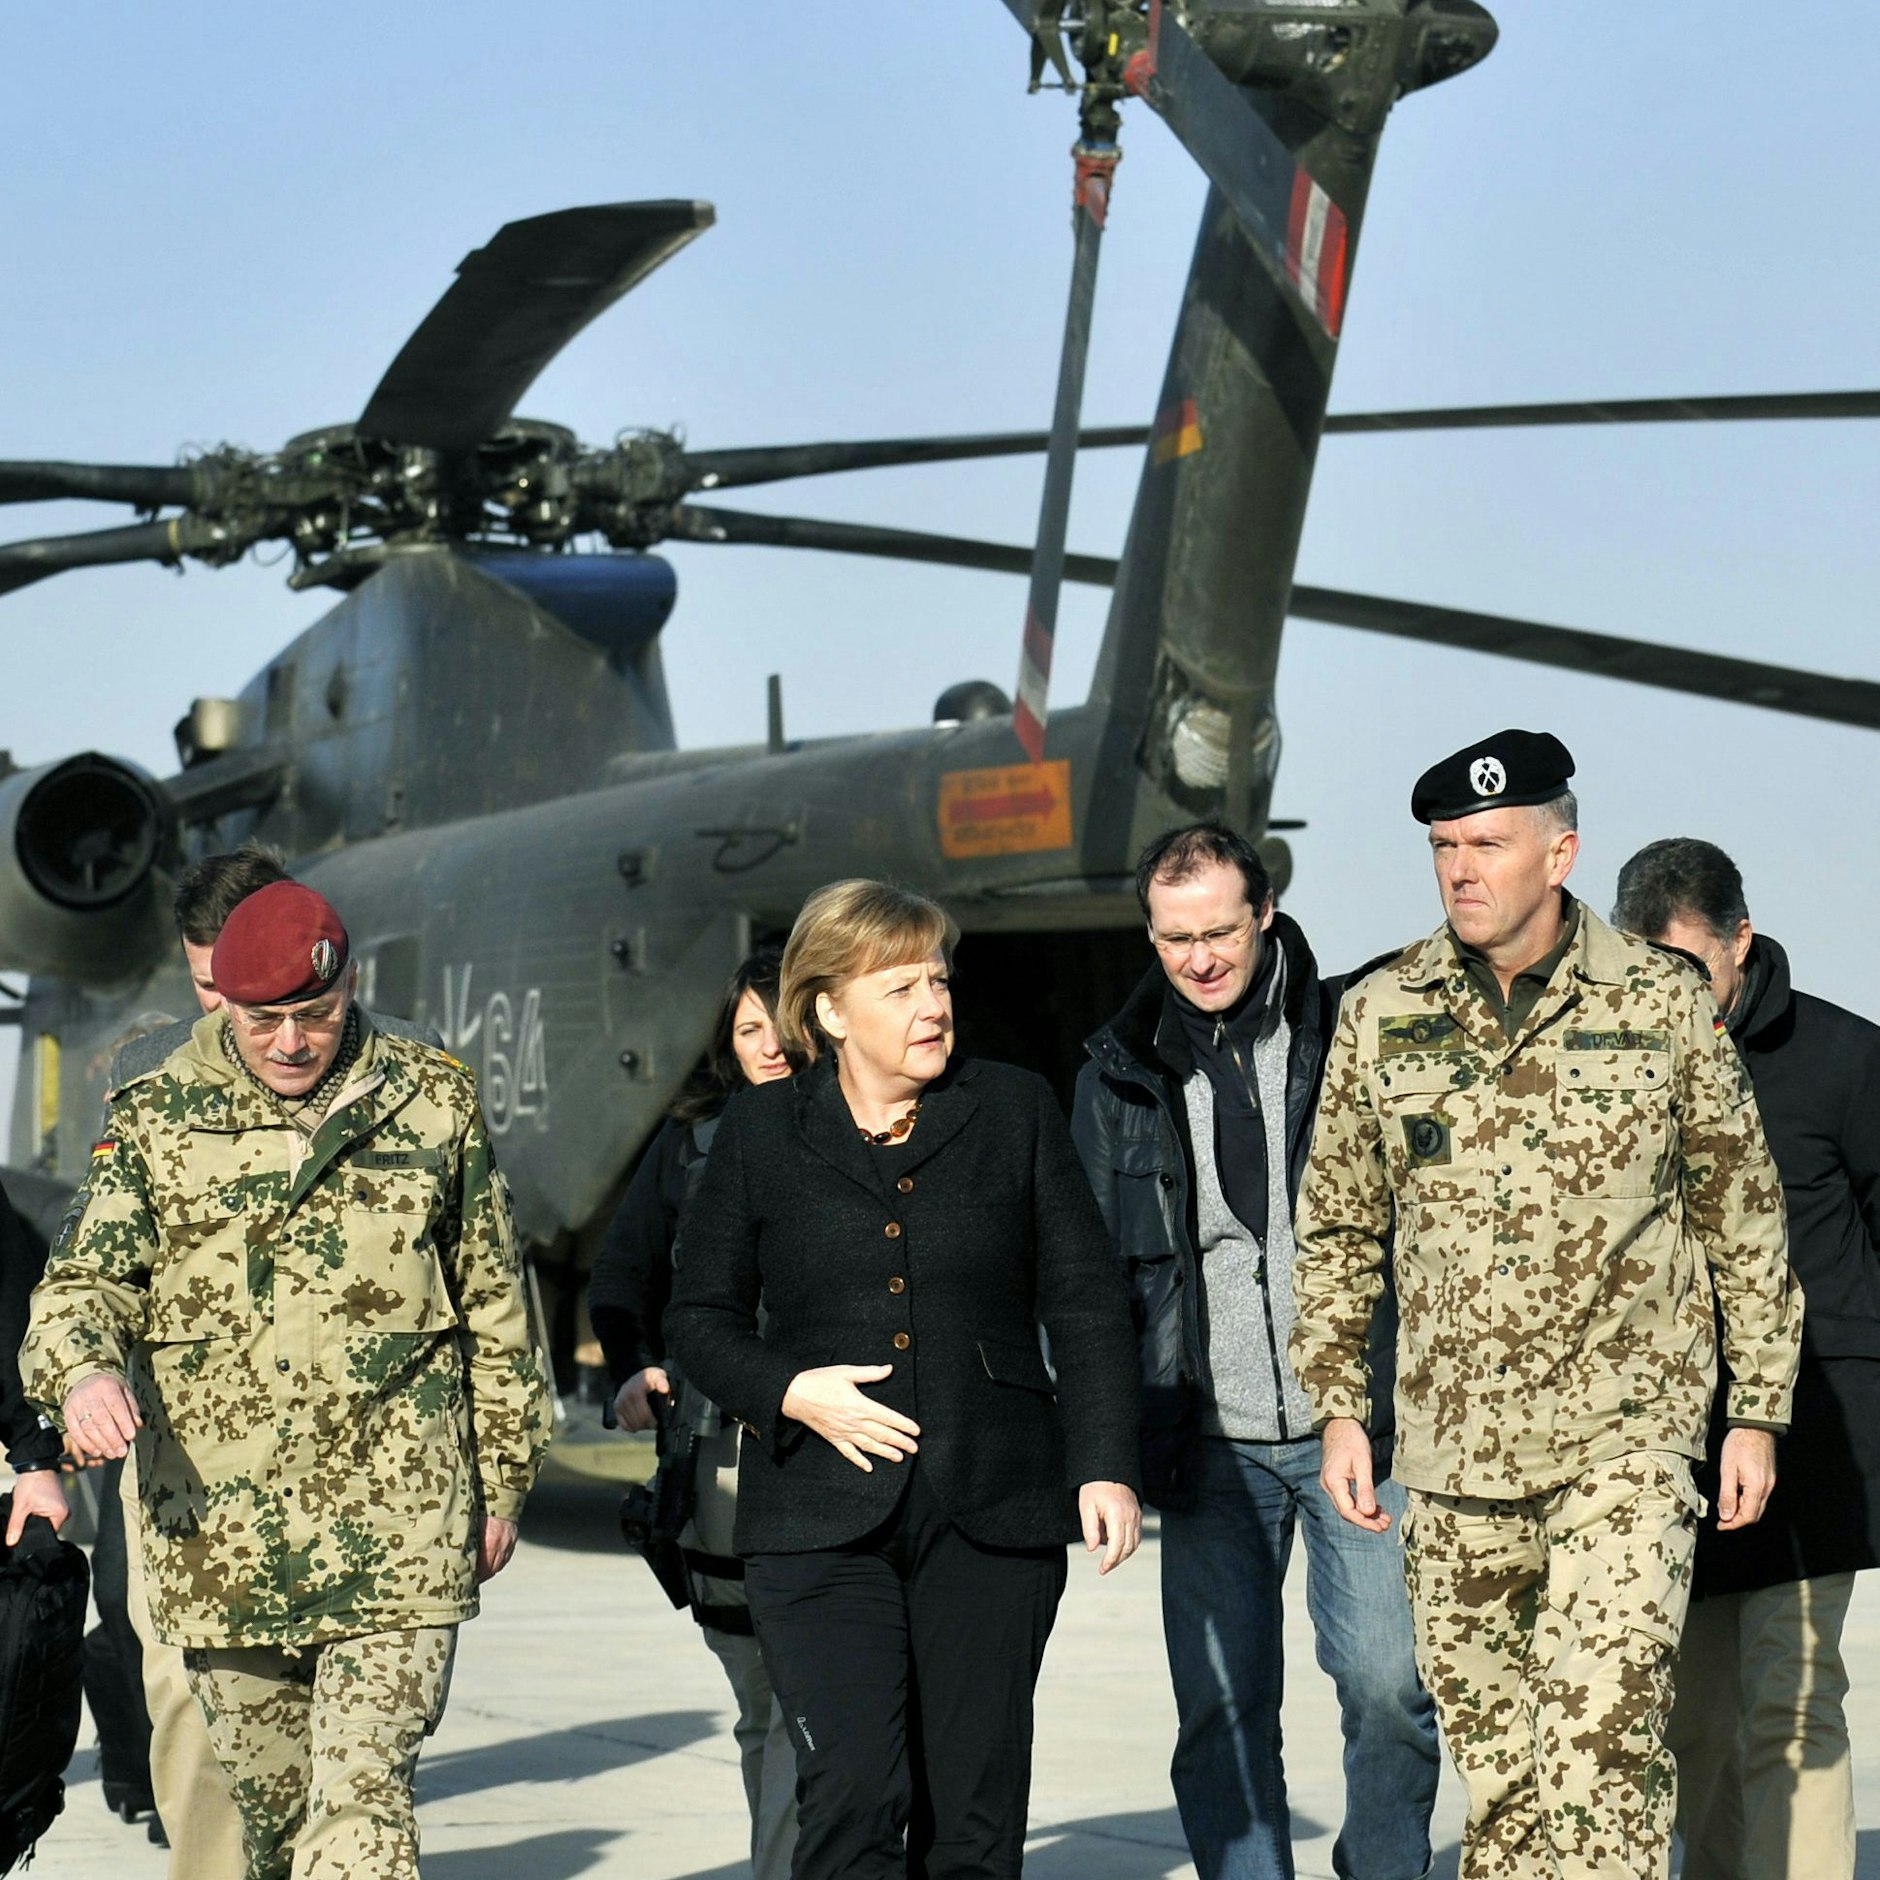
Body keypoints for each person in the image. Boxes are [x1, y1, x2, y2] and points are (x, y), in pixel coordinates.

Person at [1289, 729, 1802, 1880]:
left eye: (1487, 842)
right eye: (1442, 845)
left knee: (1600, 1753)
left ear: (1558, 851)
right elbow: (1336, 1226)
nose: (1460, 867)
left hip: (1624, 1442)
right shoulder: (1381, 1011)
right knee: (1506, 1783)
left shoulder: (1661, 1004)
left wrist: (1753, 1410)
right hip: (1455, 1453)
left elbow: (1742, 1215)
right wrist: (1337, 1405)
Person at [22, 880, 554, 1879]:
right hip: (225, 1539)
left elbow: (493, 1306)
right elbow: (82, 1282)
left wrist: (503, 1481)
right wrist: (86, 1372)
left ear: (349, 985)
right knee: (272, 1827)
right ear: (222, 999)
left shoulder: (433, 1098)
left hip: (400, 1527)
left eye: (316, 1014)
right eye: (266, 1019)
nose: (294, 1042)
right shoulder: (155, 1114)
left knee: (361, 1806)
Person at [665, 878, 1142, 1880]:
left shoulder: (1011, 1106)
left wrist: (1102, 1463)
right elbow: (697, 1322)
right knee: (851, 1792)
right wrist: (791, 1389)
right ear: (829, 1008)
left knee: (971, 1814)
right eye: (899, 986)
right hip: (813, 1515)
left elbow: (1087, 1300)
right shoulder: (758, 1135)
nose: (933, 1004)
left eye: (938, 978)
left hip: (992, 1507)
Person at [1071, 822, 1438, 1880]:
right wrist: (1108, 1439)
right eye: (1173, 935)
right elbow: (1093, 1281)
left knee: (1387, 1684)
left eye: (1219, 930)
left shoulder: (1351, 1031)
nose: (1198, 956)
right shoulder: (1116, 1074)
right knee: (1220, 1707)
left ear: (1264, 913)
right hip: (1205, 1446)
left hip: (1358, 1429)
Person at [97, 845, 444, 1876]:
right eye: (209, 983)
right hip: (188, 1460)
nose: (231, 1010)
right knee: (189, 1708)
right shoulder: (144, 1077)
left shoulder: (400, 1077)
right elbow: (100, 1260)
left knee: (355, 1753)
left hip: (354, 1465)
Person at [1613, 838, 1880, 1880]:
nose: (1668, 994)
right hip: (1670, 1444)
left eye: (1686, 969)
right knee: (1694, 1723)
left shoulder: (1845, 1060)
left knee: (1792, 1701)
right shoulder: (1608, 1068)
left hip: (1814, 1434)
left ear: (1739, 940)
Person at [588, 949, 799, 1880]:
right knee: (762, 1700)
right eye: (749, 1031)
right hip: (719, 1453)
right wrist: (634, 1372)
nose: (769, 1049)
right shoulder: (689, 1142)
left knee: (819, 1698)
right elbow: (621, 1278)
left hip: (842, 1443)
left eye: (783, 1028)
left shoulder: (872, 1122)